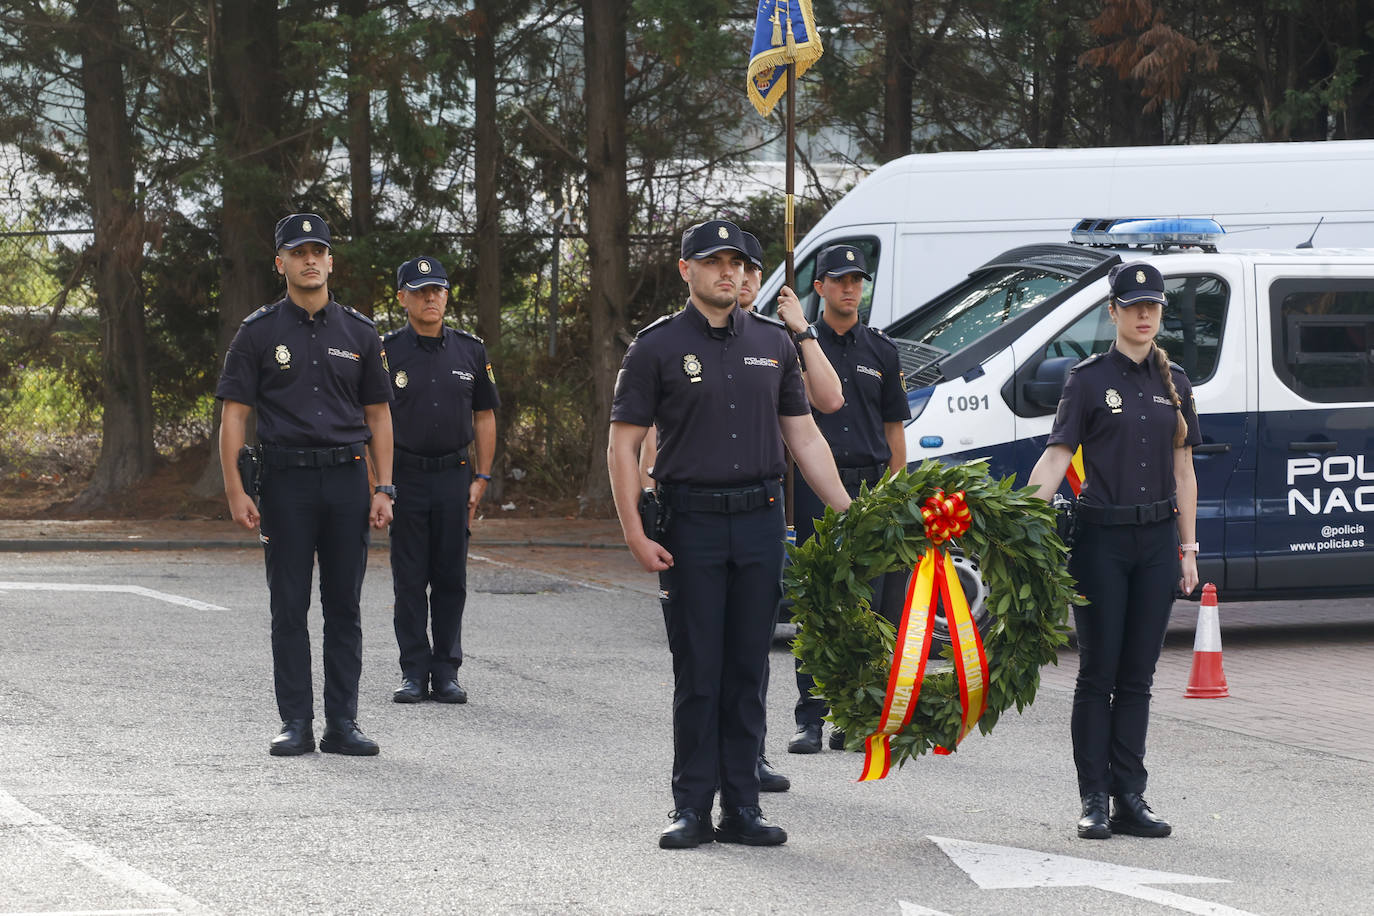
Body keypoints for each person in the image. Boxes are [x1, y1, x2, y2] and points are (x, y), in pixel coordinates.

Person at [608, 218, 852, 850]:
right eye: (714, 262)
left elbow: (804, 436)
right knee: (699, 671)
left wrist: (850, 511)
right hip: (689, 525)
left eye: (739, 264)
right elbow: (623, 444)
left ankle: (741, 806)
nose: (729, 273)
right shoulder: (655, 347)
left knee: (748, 669)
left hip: (760, 521)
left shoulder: (774, 343)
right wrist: (634, 530)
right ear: (685, 270)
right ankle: (691, 806)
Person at [1026, 260, 1200, 839]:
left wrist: (1188, 549)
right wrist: (1019, 519)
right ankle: (1093, 799)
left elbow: (1183, 469)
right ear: (1114, 313)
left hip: (1155, 542)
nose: (1145, 314)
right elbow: (1056, 456)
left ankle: (1131, 796)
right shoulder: (1087, 378)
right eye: (1134, 306)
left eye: (1153, 306)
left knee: (1138, 677)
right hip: (1099, 541)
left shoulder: (1177, 383)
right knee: (1097, 674)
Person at [217, 213, 395, 757]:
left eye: (318, 250)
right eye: (298, 252)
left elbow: (380, 415)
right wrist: (234, 489)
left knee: (344, 606)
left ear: (330, 261)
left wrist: (384, 486)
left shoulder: (360, 332)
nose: (310, 259)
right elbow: (234, 414)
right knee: (289, 606)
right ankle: (295, 721)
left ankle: (342, 724)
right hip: (286, 483)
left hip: (346, 481)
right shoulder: (259, 332)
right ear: (281, 263)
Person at [785, 244, 910, 755]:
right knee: (820, 600)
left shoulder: (881, 350)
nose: (850, 287)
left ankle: (855, 715)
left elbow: (894, 430)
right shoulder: (796, 348)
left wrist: (897, 495)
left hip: (872, 485)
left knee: (875, 606)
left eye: (857, 279)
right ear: (819, 287)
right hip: (816, 488)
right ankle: (811, 717)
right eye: (839, 279)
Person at [383, 256, 499, 705]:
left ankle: (447, 671)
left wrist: (482, 476)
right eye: (421, 290)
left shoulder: (470, 350)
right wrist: (382, 482)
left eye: (438, 290)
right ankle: (413, 671)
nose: (431, 298)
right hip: (407, 478)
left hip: (455, 477)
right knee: (409, 579)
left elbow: (485, 417)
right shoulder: (386, 351)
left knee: (451, 578)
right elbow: (371, 418)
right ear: (403, 298)